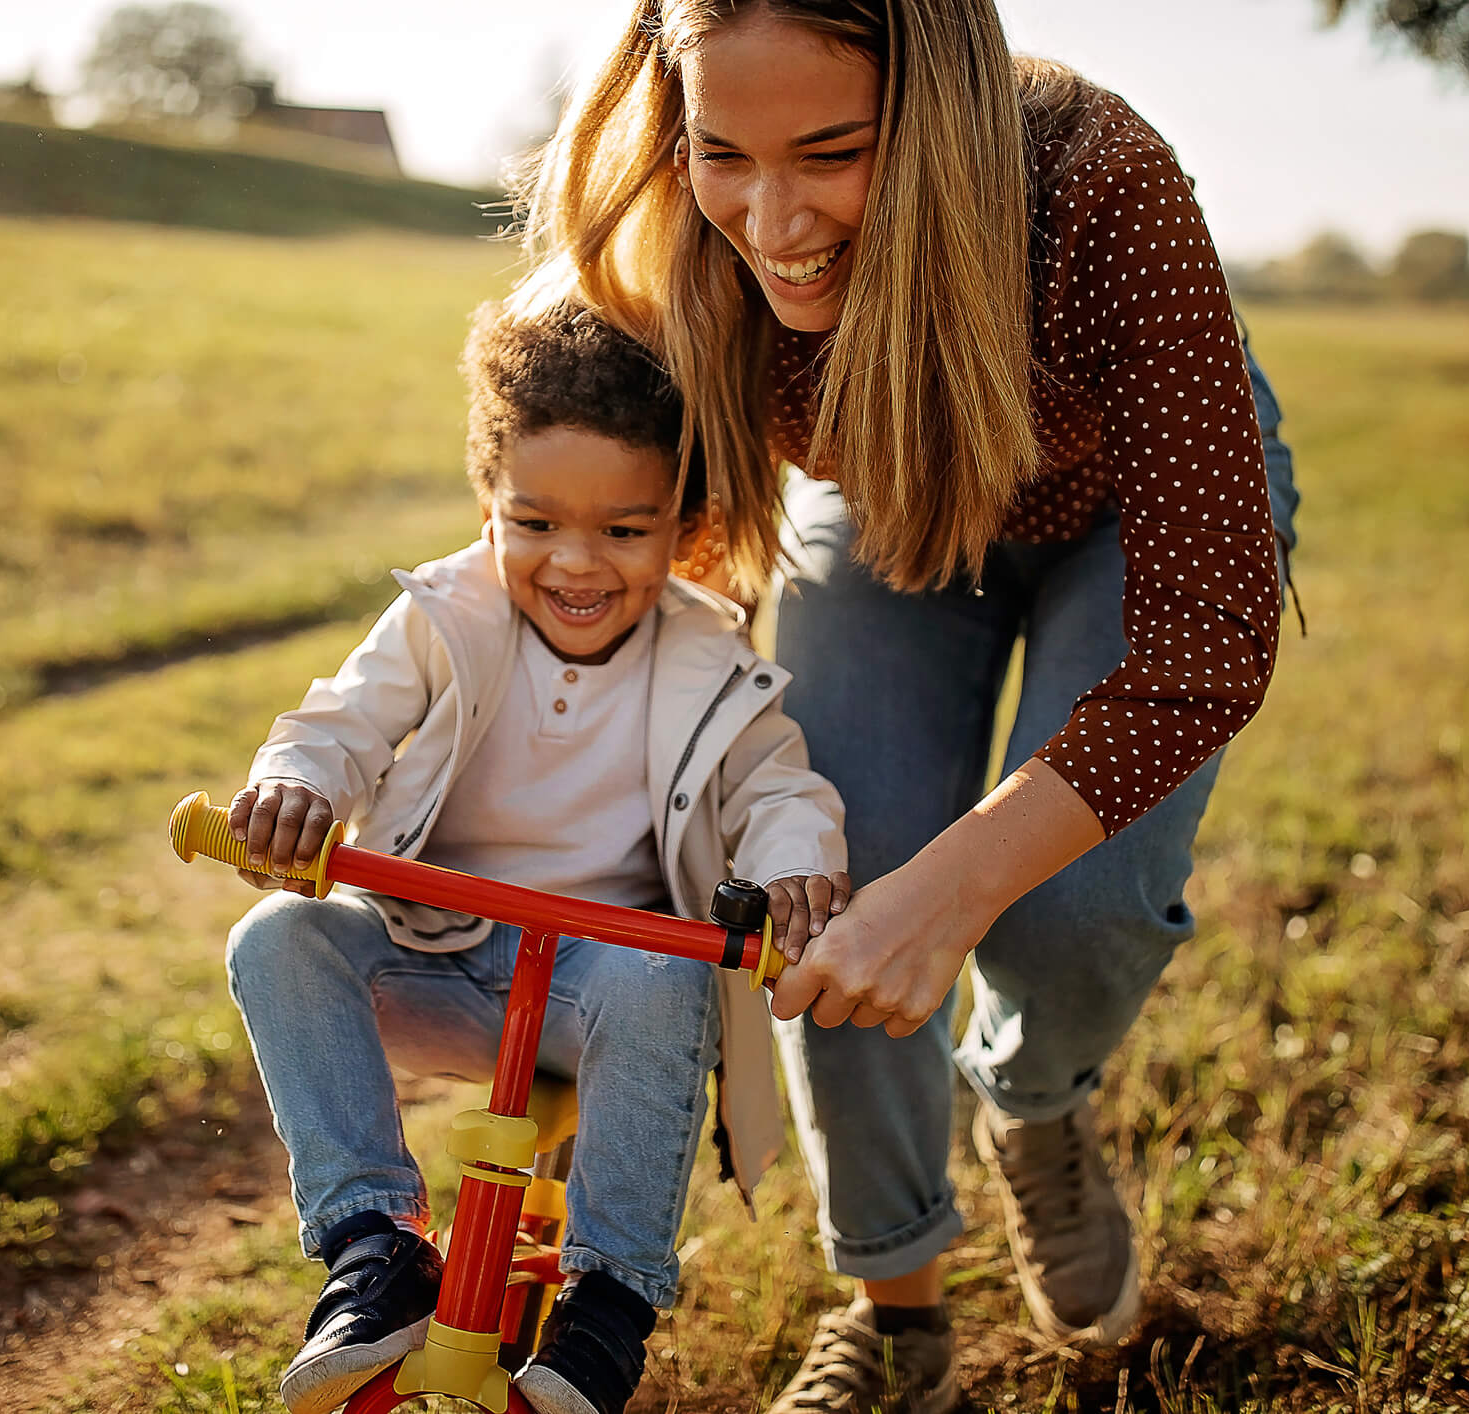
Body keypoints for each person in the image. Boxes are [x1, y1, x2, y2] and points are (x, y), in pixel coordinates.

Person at [509, 2, 1300, 1410]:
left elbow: (1204, 640)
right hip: (884, 500)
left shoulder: (1101, 181)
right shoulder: (671, 252)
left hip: (1125, 509)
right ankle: (899, 1305)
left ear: (934, 113)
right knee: (824, 870)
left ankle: (1035, 1099)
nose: (772, 217)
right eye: (723, 154)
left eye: (831, 152)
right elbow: (614, 572)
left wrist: (948, 899)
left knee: (1066, 910)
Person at [220, 301, 852, 1414]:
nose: (577, 562)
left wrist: (797, 859)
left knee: (662, 974)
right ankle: (373, 1245)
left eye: (623, 529)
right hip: (436, 960)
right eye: (536, 521)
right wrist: (299, 785)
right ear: (487, 506)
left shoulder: (706, 654)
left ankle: (609, 1299)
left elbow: (777, 786)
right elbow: (342, 722)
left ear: (681, 524)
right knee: (280, 934)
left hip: (598, 996)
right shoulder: (446, 614)